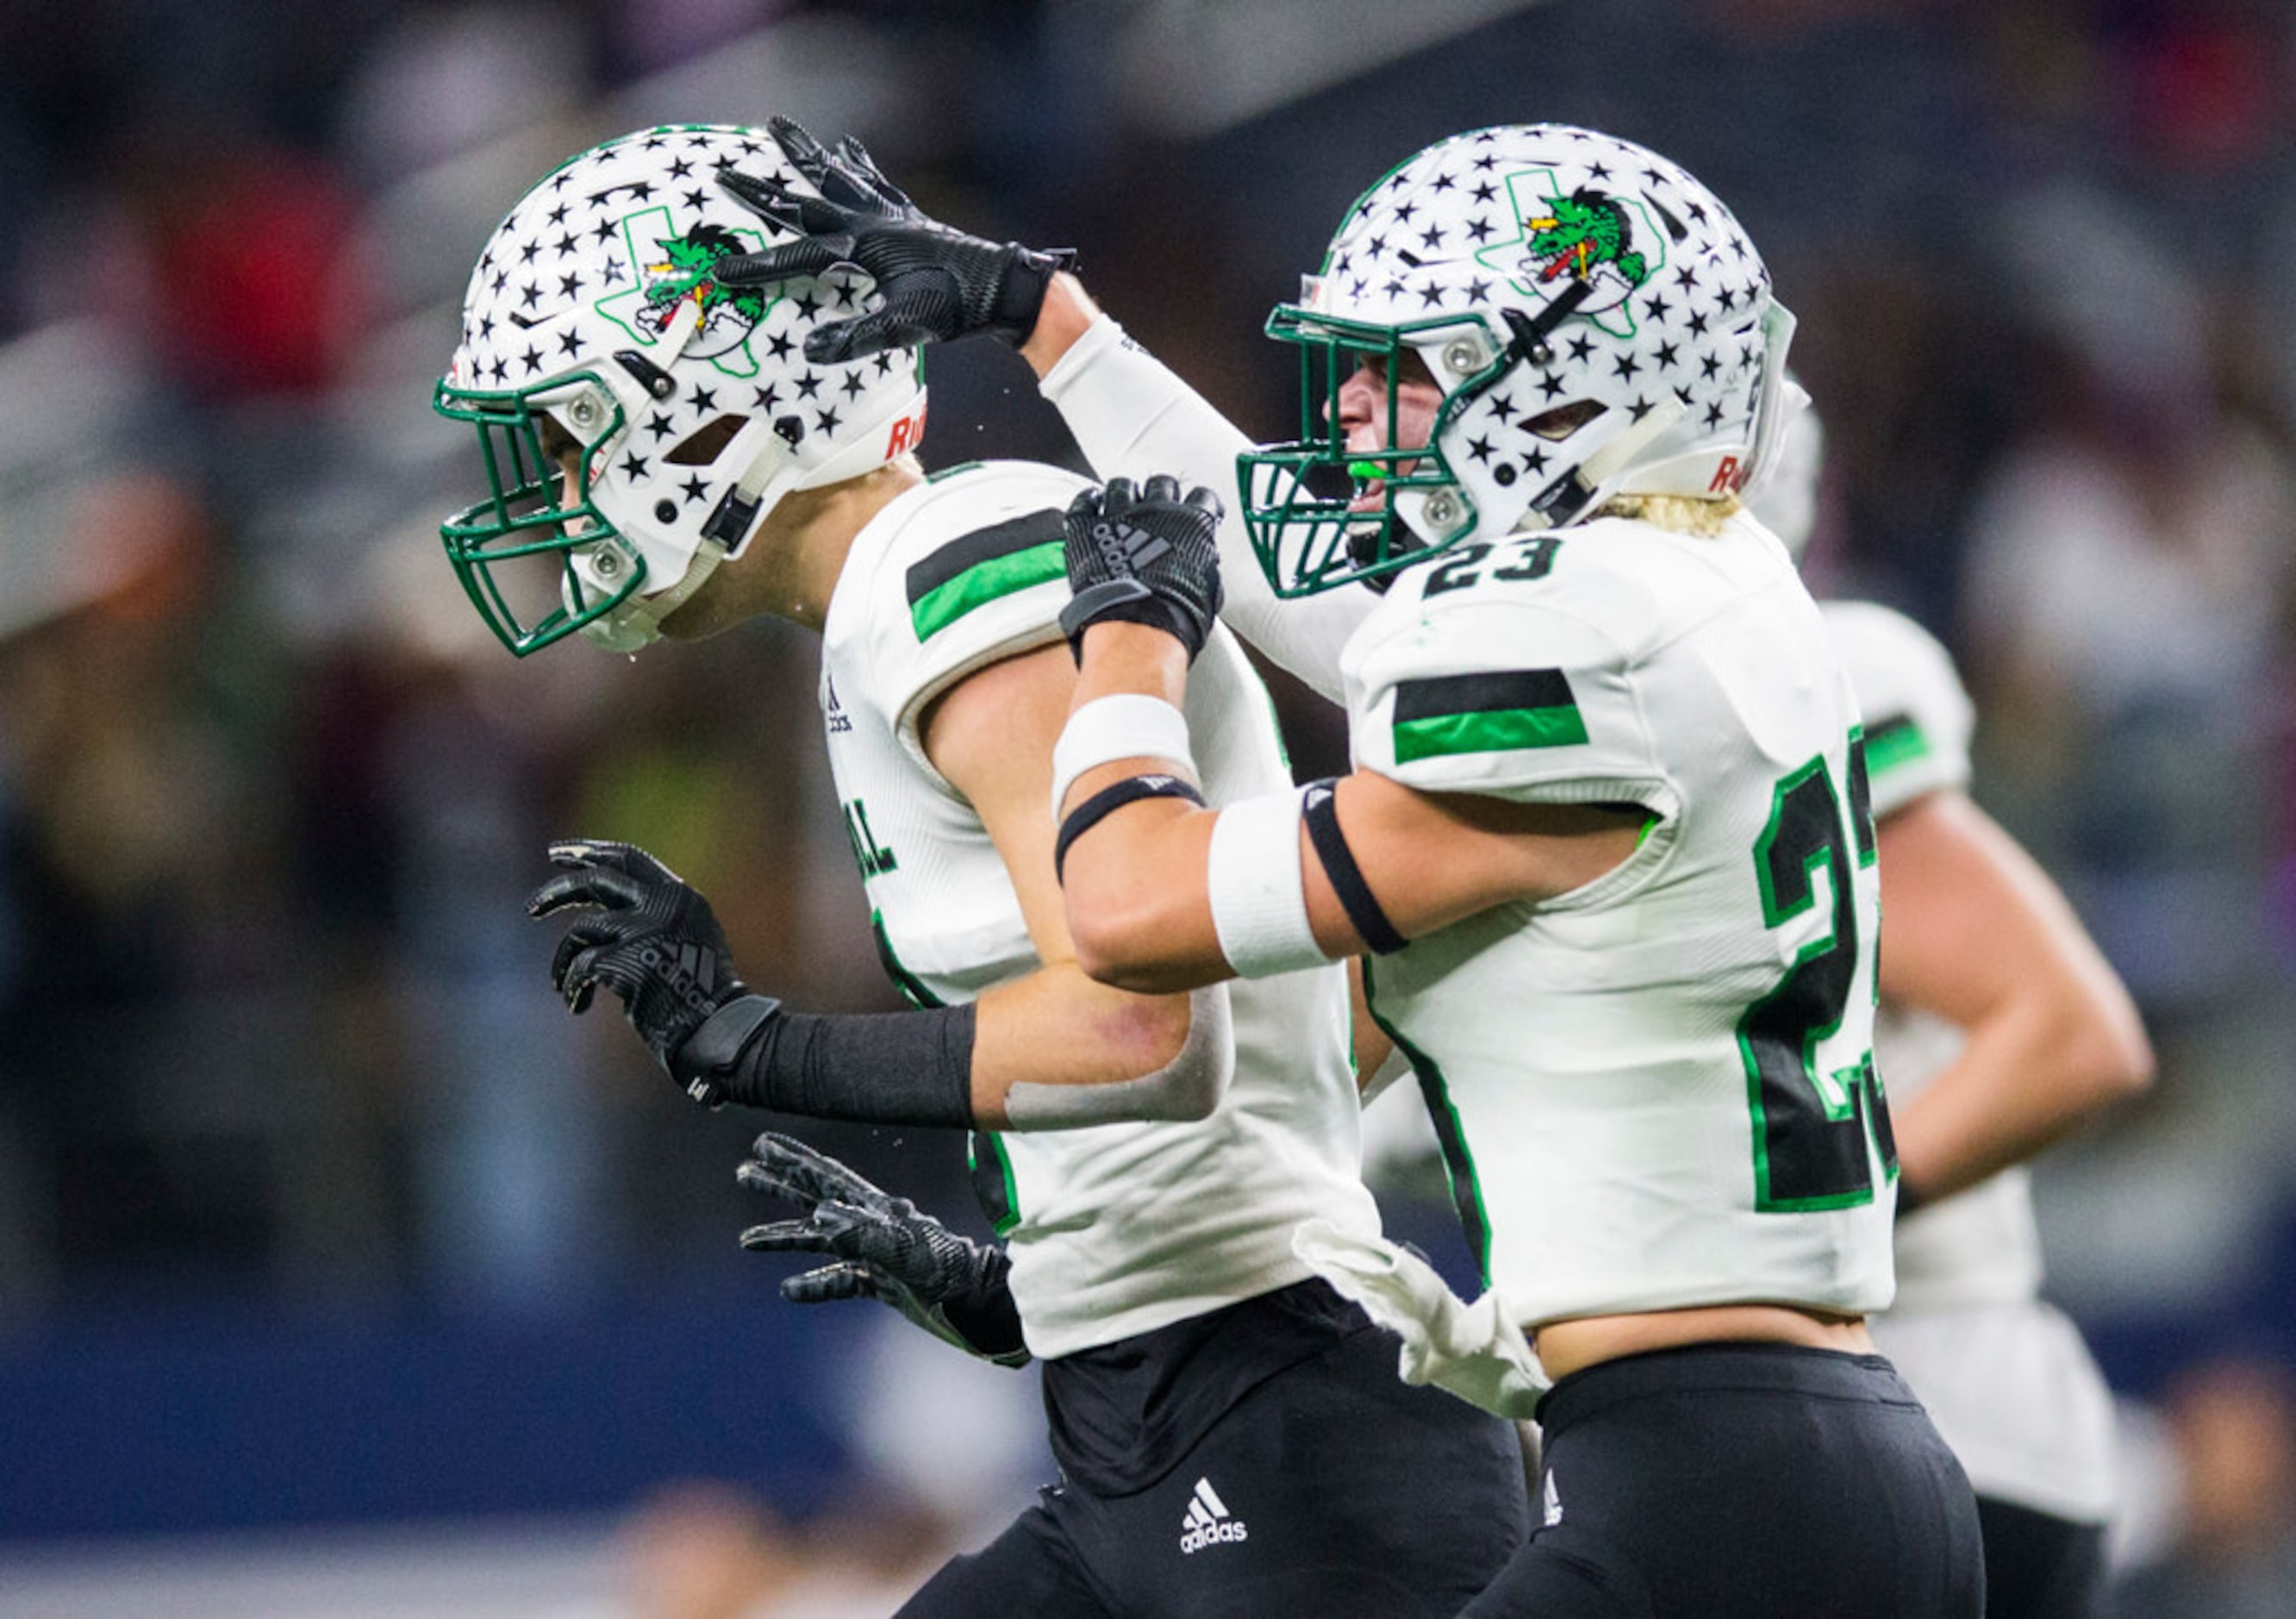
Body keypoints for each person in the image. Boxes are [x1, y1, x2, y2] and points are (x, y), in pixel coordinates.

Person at [719, 121, 1988, 1613]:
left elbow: (1127, 912)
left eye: (1417, 372)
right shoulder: (1711, 596)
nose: (1364, 415)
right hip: (1791, 1452)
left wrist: (1126, 645)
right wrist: (1048, 325)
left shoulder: (1569, 642)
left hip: (1704, 1484)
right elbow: (1310, 593)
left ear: (1575, 390)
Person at [430, 122, 1528, 1616]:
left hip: (1284, 1422)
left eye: (570, 430)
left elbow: (1140, 1023)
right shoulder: (910, 593)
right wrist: (1033, 1278)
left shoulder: (944, 569)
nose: (555, 487)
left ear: (705, 406)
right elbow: (1310, 1011)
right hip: (1172, 1410)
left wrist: (753, 1043)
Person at [1750, 404, 2156, 1617]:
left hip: (1919, 1406)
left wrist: (1794, 1235)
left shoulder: (1819, 669)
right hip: (1775, 1426)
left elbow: (2069, 1034)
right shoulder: (1502, 716)